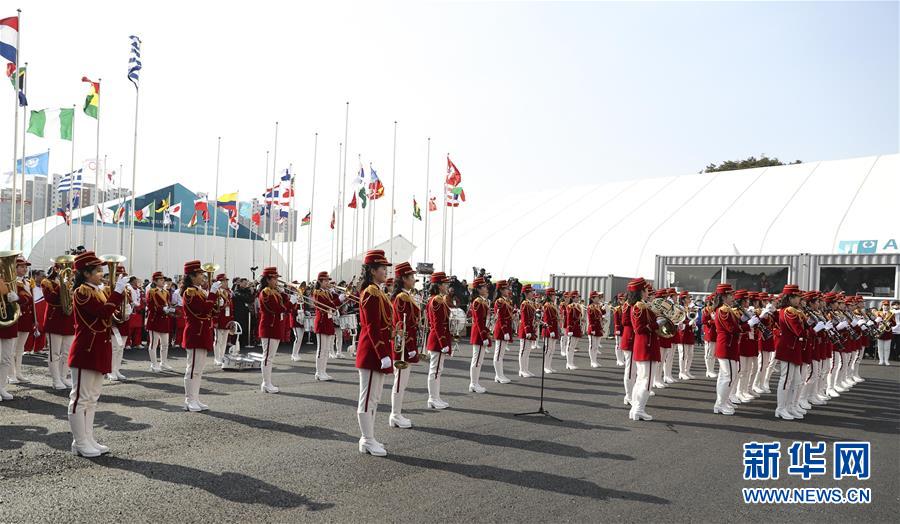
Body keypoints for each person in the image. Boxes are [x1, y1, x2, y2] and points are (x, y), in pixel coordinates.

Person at [67, 251, 126, 457]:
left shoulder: (98, 291)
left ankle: (88, 438)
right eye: (98, 270)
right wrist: (117, 293)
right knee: (80, 398)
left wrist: (119, 297)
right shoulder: (81, 292)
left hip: (99, 346)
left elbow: (112, 315)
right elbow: (101, 313)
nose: (102, 274)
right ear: (85, 273)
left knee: (92, 398)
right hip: (86, 348)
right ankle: (79, 441)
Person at [355, 250, 394, 456]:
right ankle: (366, 439)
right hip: (372, 351)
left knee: (375, 397)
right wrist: (382, 353)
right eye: (382, 268)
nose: (386, 272)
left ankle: (370, 437)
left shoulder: (378, 291)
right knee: (368, 397)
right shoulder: (370, 292)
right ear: (372, 270)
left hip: (379, 350)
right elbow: (372, 326)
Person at [181, 260, 220, 412]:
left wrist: (216, 299)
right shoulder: (190, 292)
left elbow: (211, 310)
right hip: (195, 333)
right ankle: (189, 400)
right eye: (200, 274)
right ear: (191, 276)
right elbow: (202, 310)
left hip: (202, 331)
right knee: (192, 369)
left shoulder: (199, 291)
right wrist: (212, 294)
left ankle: (195, 398)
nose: (203, 277)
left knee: (199, 369)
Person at [389, 261, 419, 428]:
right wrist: (410, 347)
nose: (414, 279)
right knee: (400, 381)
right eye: (411, 277)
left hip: (407, 344)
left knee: (402, 381)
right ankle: (395, 414)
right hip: (403, 346)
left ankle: (397, 413)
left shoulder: (406, 295)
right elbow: (403, 324)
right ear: (403, 279)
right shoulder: (402, 297)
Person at [258, 267, 294, 393]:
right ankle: (266, 383)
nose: (277, 281)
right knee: (268, 357)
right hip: (269, 327)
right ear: (267, 279)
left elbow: (285, 304)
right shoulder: (266, 292)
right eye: (274, 278)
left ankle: (268, 382)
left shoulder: (274, 291)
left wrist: (285, 293)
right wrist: (289, 303)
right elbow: (277, 308)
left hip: (275, 326)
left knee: (270, 356)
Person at [41, 262, 76, 389]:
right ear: (56, 269)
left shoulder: (72, 282)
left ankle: (63, 376)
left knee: (67, 352)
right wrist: (63, 285)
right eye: (62, 267)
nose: (69, 269)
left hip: (69, 320)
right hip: (54, 321)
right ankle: (56, 380)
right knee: (54, 353)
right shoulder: (47, 282)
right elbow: (50, 299)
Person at [774, 285, 806, 420]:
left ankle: (790, 406)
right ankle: (780, 408)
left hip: (793, 348)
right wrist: (813, 329)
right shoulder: (789, 311)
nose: (799, 299)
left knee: (796, 381)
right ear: (790, 297)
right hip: (788, 348)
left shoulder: (794, 311)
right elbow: (799, 330)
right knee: (786, 379)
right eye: (797, 297)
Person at [629, 278, 658, 421]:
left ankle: (635, 409)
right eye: (646, 290)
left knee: (641, 379)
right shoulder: (640, 307)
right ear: (641, 291)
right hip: (647, 345)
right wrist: (656, 324)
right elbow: (639, 328)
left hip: (643, 345)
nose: (648, 293)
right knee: (647, 381)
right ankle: (639, 409)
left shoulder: (639, 306)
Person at [425, 271, 452, 408]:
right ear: (439, 285)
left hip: (438, 338)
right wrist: (443, 342)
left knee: (437, 370)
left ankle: (436, 397)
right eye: (445, 283)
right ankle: (432, 398)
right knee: (435, 370)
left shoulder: (438, 299)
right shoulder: (436, 300)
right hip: (437, 339)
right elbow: (437, 323)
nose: (447, 285)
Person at [713, 284, 740, 415]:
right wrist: (747, 325)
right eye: (731, 295)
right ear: (724, 296)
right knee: (728, 377)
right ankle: (720, 404)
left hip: (729, 345)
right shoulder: (723, 310)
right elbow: (731, 329)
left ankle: (723, 400)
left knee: (727, 376)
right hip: (726, 346)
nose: (733, 297)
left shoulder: (727, 309)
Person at [9, 257, 35, 384]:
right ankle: (10, 374)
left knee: (20, 349)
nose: (25, 269)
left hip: (26, 318)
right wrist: (18, 299)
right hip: (16, 318)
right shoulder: (11, 282)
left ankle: (18, 372)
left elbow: (32, 303)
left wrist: (34, 320)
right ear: (15, 268)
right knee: (11, 348)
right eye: (22, 267)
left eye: (26, 267)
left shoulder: (27, 282)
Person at [312, 272, 341, 381]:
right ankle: (318, 372)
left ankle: (323, 371)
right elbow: (328, 305)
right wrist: (339, 299)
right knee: (321, 349)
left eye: (328, 280)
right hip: (322, 322)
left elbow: (335, 303)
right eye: (325, 281)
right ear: (319, 281)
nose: (328, 282)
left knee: (326, 349)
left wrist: (337, 294)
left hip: (328, 322)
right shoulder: (317, 293)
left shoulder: (327, 292)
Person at [107, 265, 132, 381]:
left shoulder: (127, 289)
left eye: (122, 275)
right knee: (114, 348)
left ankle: (117, 369)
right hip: (113, 321)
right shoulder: (107, 288)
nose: (120, 277)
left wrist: (129, 309)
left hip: (124, 320)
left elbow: (129, 302)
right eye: (117, 275)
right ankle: (110, 370)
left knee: (121, 348)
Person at [146, 271, 174, 372]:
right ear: (155, 281)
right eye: (161, 279)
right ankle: (154, 364)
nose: (163, 281)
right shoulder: (151, 292)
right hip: (155, 320)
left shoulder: (166, 292)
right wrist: (162, 309)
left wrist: (170, 309)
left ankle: (164, 362)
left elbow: (168, 304)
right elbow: (150, 306)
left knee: (165, 344)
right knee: (154, 344)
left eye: (163, 279)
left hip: (164, 320)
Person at [468, 276, 491, 393]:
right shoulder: (477, 302)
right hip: (478, 334)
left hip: (481, 333)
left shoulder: (483, 301)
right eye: (483, 287)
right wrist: (483, 335)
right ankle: (473, 383)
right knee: (476, 359)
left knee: (479, 360)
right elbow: (478, 321)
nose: (486, 288)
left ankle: (475, 382)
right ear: (478, 289)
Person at [492, 280, 515, 382]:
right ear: (501, 290)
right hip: (501, 330)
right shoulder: (499, 302)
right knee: (498, 354)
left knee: (501, 354)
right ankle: (498, 375)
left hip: (506, 328)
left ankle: (500, 375)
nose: (508, 290)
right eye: (505, 288)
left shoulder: (507, 301)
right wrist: (505, 331)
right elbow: (500, 318)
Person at [213, 274, 234, 366]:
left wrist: (231, 320)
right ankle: (216, 358)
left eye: (226, 281)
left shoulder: (227, 292)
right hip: (219, 319)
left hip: (226, 319)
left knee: (225, 340)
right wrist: (215, 321)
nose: (226, 283)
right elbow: (213, 308)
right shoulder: (216, 293)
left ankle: (222, 356)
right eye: (223, 281)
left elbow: (231, 307)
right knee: (218, 340)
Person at [517, 284, 537, 377]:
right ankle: (522, 370)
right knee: (523, 350)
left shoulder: (531, 303)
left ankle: (526, 369)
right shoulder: (524, 304)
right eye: (531, 292)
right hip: (525, 330)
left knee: (528, 351)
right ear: (526, 293)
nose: (533, 293)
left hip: (530, 328)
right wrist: (527, 330)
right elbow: (524, 319)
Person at [676, 291, 696, 380]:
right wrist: (688, 323)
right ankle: (681, 372)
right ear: (683, 299)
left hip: (689, 332)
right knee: (683, 354)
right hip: (683, 333)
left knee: (690, 354)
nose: (689, 299)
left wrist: (693, 323)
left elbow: (692, 316)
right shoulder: (680, 308)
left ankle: (687, 371)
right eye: (688, 298)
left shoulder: (689, 308)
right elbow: (679, 321)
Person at [541, 288, 560, 374]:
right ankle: (545, 367)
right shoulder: (547, 305)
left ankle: (549, 365)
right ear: (549, 296)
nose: (554, 297)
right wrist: (551, 330)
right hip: (549, 330)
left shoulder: (552, 305)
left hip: (553, 329)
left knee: (552, 349)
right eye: (553, 295)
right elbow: (547, 319)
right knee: (548, 349)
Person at [564, 291, 583, 371]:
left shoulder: (578, 306)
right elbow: (569, 319)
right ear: (573, 298)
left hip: (576, 327)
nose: (578, 298)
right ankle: (569, 363)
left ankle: (571, 362)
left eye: (578, 297)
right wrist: (570, 329)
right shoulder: (570, 306)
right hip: (572, 328)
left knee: (573, 346)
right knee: (570, 346)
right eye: (577, 297)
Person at [586, 291, 604, 368]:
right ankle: (592, 361)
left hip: (598, 327)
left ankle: (595, 360)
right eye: (596, 297)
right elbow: (590, 319)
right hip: (593, 327)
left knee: (596, 346)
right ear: (592, 298)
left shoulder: (597, 306)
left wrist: (603, 307)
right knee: (592, 345)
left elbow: (603, 313)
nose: (598, 298)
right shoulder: (590, 307)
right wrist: (592, 328)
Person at [875, 299, 896, 365]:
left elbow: (894, 323)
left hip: (888, 332)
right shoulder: (879, 313)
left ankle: (886, 360)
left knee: (887, 348)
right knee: (880, 347)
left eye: (887, 305)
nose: (886, 307)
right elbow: (875, 323)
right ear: (882, 306)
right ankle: (881, 360)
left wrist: (891, 323)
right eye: (884, 305)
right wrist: (877, 322)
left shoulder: (891, 314)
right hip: (880, 331)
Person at [290, 281, 305, 362]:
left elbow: (303, 306)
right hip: (295, 319)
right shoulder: (292, 297)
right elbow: (290, 308)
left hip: (302, 317)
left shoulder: (301, 296)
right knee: (298, 337)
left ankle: (296, 353)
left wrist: (305, 312)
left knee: (300, 338)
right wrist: (296, 312)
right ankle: (293, 354)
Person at [612, 293, 626, 366]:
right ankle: (619, 359)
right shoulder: (617, 309)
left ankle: (622, 359)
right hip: (619, 328)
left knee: (623, 345)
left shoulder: (626, 307)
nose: (622, 300)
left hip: (625, 329)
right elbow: (616, 320)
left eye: (623, 299)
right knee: (618, 344)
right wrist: (617, 329)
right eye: (620, 299)